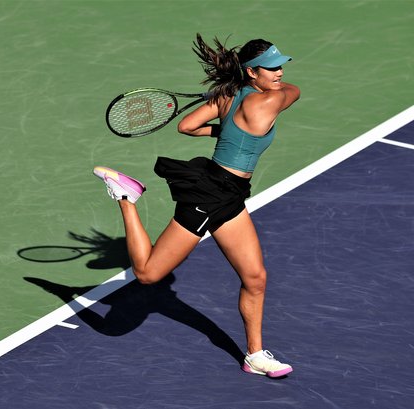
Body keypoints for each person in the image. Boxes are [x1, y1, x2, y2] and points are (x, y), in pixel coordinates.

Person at [93, 34, 300, 378]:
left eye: (281, 67)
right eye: (272, 68)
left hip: (230, 194)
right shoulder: (268, 102)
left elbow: (187, 126)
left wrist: (226, 118)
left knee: (255, 278)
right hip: (209, 196)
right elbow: (294, 91)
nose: (279, 73)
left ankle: (255, 355)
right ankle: (127, 198)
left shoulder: (227, 96)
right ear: (252, 73)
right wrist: (234, 104)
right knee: (147, 274)